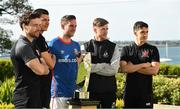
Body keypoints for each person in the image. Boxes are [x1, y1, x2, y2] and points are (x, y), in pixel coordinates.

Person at [10, 11, 49, 108]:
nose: (39, 28)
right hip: (26, 100)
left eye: (39, 25)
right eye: (35, 25)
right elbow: (41, 70)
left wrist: (43, 66)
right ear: (25, 26)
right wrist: (44, 65)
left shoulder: (32, 44)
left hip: (34, 98)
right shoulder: (23, 46)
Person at [120, 21, 160, 108]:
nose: (145, 34)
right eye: (142, 32)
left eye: (147, 32)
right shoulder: (126, 49)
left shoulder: (153, 49)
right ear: (135, 33)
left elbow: (154, 70)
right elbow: (124, 69)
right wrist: (143, 65)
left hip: (146, 94)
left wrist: (132, 67)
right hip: (129, 94)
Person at [82, 18, 120, 108]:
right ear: (95, 29)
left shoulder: (113, 47)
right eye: (103, 29)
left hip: (109, 92)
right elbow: (84, 68)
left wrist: (92, 68)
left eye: (107, 29)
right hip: (90, 91)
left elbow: (113, 70)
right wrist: (104, 65)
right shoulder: (85, 47)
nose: (106, 31)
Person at [48, 15, 81, 109]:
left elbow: (77, 66)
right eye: (71, 26)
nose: (74, 28)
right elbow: (49, 65)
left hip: (73, 93)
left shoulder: (76, 45)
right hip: (58, 93)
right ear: (63, 26)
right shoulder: (53, 44)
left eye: (75, 26)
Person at [32, 8, 55, 108]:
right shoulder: (38, 39)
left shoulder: (41, 38)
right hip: (38, 92)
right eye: (44, 20)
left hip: (43, 91)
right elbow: (51, 64)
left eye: (48, 20)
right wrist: (54, 57)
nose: (47, 22)